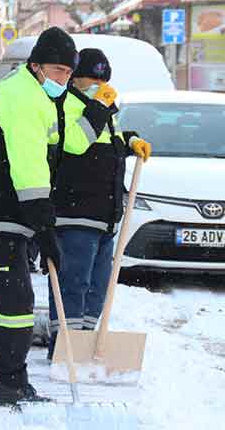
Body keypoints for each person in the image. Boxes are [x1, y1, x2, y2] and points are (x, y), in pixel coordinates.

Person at [0, 27, 113, 405]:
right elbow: (28, 167)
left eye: (68, 74)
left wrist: (98, 111)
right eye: (57, 70)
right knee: (18, 301)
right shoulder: (21, 97)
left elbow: (71, 143)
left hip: (10, 209)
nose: (64, 80)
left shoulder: (44, 95)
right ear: (36, 65)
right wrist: (44, 225)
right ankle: (12, 383)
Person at [47, 48, 151, 360]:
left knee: (98, 286)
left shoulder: (106, 111)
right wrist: (97, 105)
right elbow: (76, 144)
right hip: (75, 212)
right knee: (73, 282)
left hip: (106, 215)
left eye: (102, 80)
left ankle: (90, 343)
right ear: (74, 79)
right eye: (91, 79)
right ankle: (66, 345)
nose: (98, 85)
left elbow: (109, 143)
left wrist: (130, 142)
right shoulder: (65, 106)